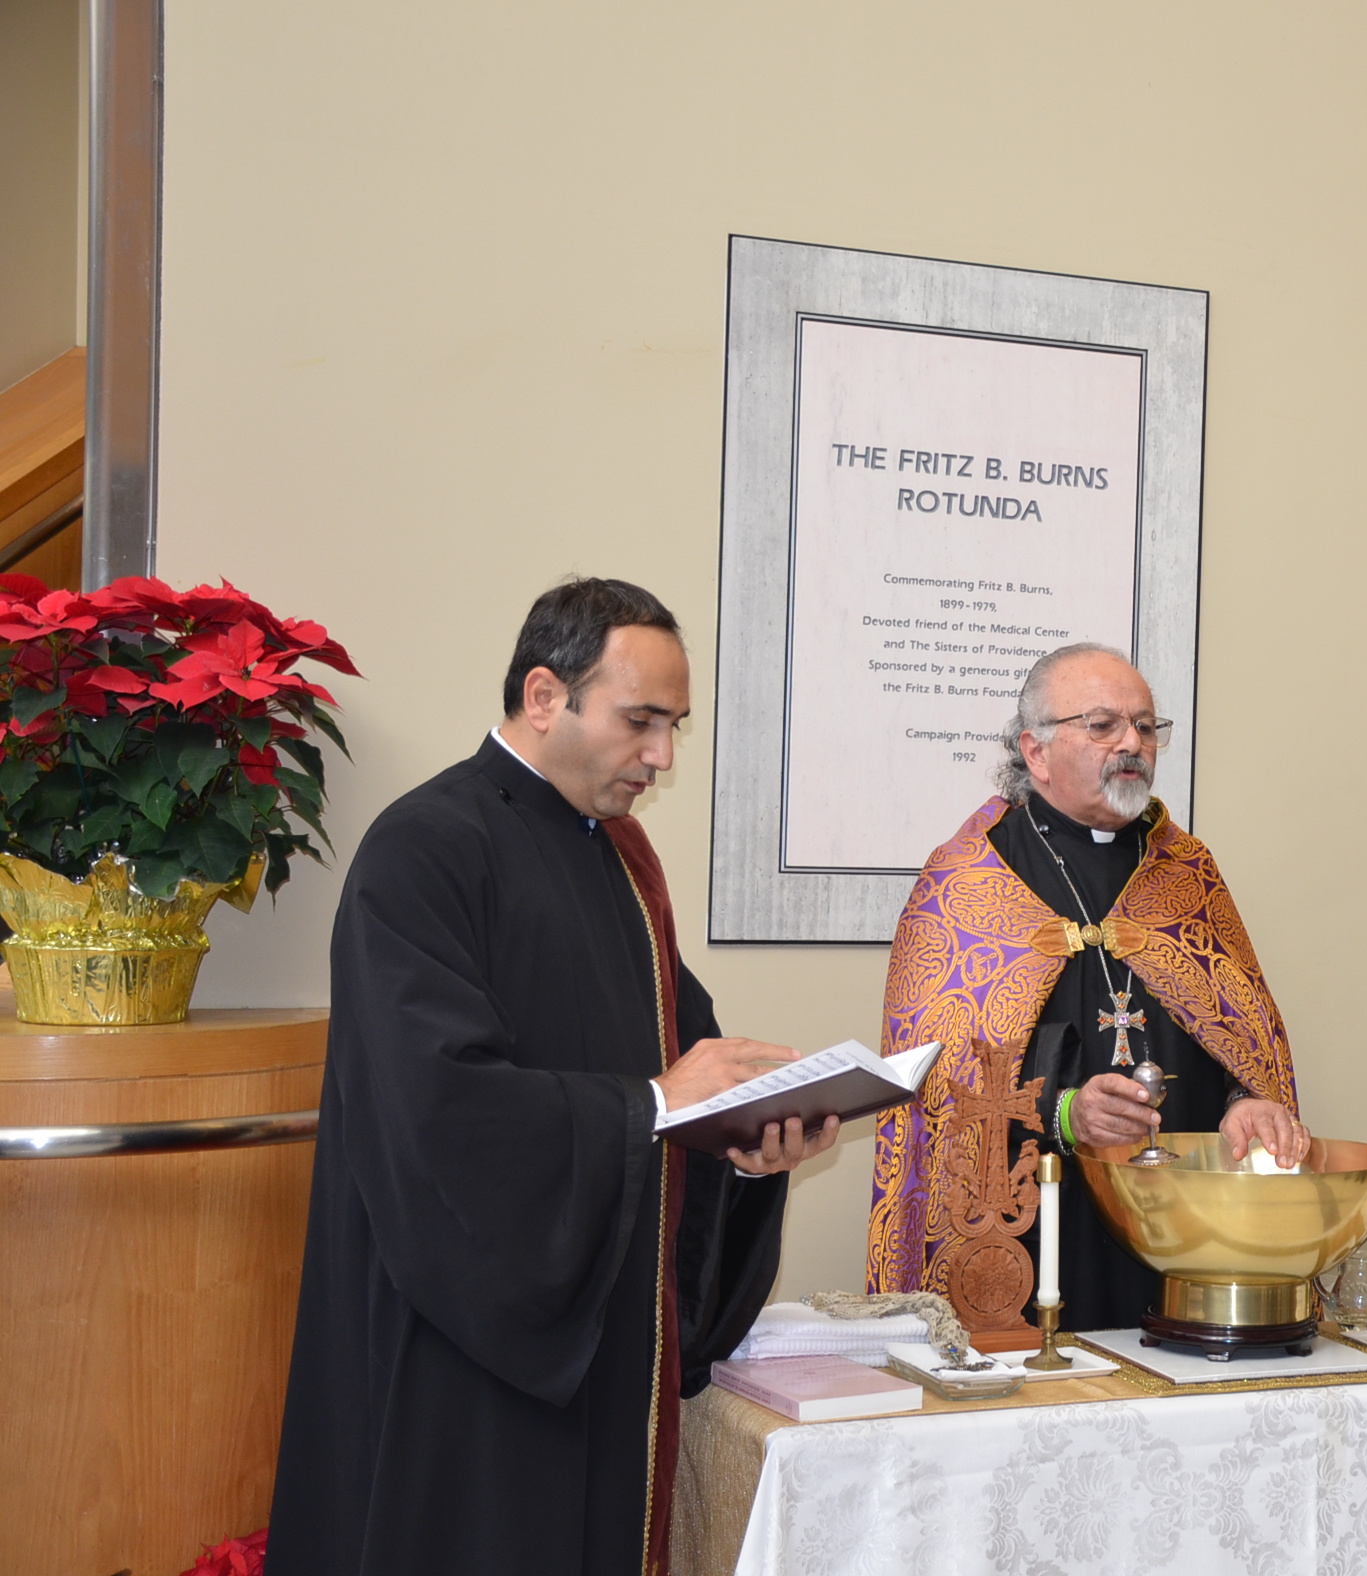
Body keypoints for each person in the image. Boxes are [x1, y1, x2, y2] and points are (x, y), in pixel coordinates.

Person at [269, 579, 836, 1576]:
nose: (661, 757)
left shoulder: (622, 859)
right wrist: (659, 1105)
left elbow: (685, 1068)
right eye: (641, 722)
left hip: (599, 1340)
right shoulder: (425, 847)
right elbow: (437, 1106)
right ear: (544, 695)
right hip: (461, 1349)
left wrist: (751, 1142)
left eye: (674, 726)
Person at [869, 642, 1307, 1330]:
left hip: (1182, 1232)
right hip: (1036, 1235)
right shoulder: (965, 881)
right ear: (1034, 751)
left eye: (1145, 726)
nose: (1131, 743)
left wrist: (1245, 1101)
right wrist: (1066, 1111)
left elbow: (1242, 1032)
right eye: (1102, 725)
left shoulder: (1188, 873)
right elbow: (940, 1082)